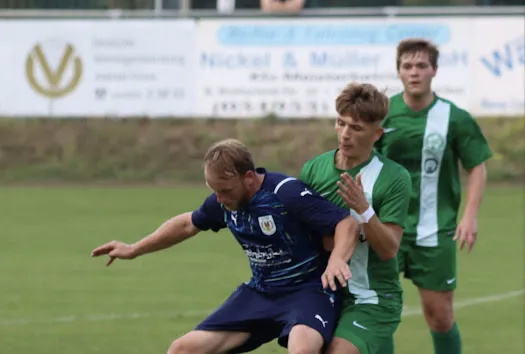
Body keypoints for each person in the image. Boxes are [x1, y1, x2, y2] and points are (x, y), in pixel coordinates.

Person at [91, 138, 362, 354]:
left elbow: (346, 224)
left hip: (308, 290)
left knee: (302, 349)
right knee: (182, 349)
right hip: (261, 293)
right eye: (214, 191)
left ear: (248, 177)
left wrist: (338, 259)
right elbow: (187, 224)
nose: (219, 199)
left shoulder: (285, 194)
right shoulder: (223, 201)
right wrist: (134, 248)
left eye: (225, 191)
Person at [374, 38, 493, 354]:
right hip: (386, 227)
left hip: (435, 228)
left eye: (421, 66)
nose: (414, 72)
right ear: (399, 72)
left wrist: (469, 215)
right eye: (407, 66)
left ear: (434, 70)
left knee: (439, 316)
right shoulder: (383, 115)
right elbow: (362, 161)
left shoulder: (455, 117)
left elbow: (477, 167)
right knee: (378, 312)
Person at [301, 82, 413, 354]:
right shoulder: (314, 169)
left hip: (370, 297)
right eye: (341, 123)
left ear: (377, 134)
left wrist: (364, 211)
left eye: (356, 128)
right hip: (322, 292)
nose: (345, 134)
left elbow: (388, 249)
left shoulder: (394, 178)